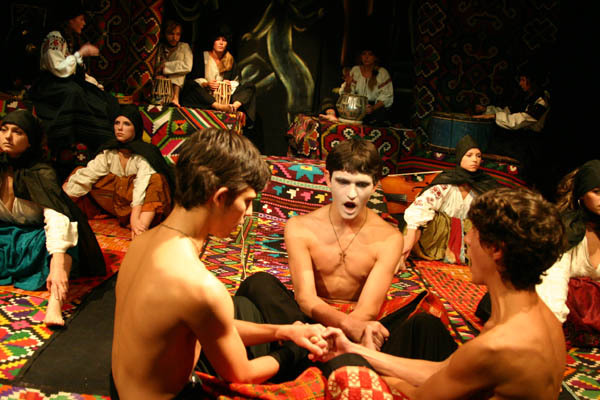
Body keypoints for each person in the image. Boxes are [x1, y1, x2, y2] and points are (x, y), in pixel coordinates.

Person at [111, 128, 329, 399]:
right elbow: (243, 374)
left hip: (121, 389)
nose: (248, 213)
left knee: (245, 305)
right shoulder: (199, 286)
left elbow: (207, 325)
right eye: (247, 201)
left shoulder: (141, 244)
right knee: (313, 377)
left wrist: (285, 331)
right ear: (220, 197)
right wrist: (296, 351)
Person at [236, 139, 457, 378]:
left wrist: (354, 332)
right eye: (343, 182)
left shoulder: (389, 238)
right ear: (328, 179)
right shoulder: (300, 227)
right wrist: (339, 330)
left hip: (360, 326)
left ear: (375, 186)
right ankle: (339, 360)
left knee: (426, 323)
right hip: (308, 322)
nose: (351, 194)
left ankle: (309, 359)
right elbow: (306, 299)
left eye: (361, 185)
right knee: (258, 284)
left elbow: (368, 310)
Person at [321, 187, 567, 399]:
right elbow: (442, 370)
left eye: (473, 231)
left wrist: (361, 362)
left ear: (496, 250)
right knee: (422, 325)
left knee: (344, 367)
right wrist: (357, 350)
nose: (467, 240)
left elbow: (419, 395)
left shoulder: (498, 345)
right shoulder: (536, 314)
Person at [0, 110, 105, 327]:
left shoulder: (40, 173)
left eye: (17, 132)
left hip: (36, 239)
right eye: (3, 130)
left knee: (66, 243)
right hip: (5, 236)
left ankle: (55, 302)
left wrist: (57, 265)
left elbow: (57, 219)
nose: (8, 136)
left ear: (30, 140)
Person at [26, 0, 120, 177]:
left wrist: (94, 85)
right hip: (51, 85)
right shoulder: (54, 37)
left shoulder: (68, 39)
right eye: (81, 19)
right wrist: (80, 54)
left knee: (104, 98)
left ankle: (108, 142)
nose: (84, 23)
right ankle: (67, 137)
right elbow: (58, 67)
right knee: (75, 93)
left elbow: (78, 72)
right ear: (70, 19)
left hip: (66, 82)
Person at [62, 105, 174, 239]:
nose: (120, 128)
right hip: (116, 203)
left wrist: (135, 217)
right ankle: (63, 209)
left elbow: (141, 186)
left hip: (139, 207)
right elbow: (90, 174)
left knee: (156, 179)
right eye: (117, 123)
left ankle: (140, 230)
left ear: (135, 128)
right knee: (79, 173)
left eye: (126, 124)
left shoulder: (145, 153)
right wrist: (61, 197)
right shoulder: (110, 151)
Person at [400, 135, 499, 267]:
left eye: (478, 156)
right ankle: (403, 256)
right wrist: (411, 235)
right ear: (460, 157)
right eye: (469, 155)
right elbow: (422, 205)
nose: (475, 159)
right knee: (420, 223)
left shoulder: (485, 184)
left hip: (469, 238)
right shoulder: (447, 182)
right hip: (440, 237)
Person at [535, 160, 600, 327]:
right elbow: (553, 281)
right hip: (557, 304)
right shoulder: (568, 228)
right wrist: (553, 325)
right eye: (597, 192)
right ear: (582, 194)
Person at [473, 70, 550, 183]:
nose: (520, 83)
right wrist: (487, 110)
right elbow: (508, 112)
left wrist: (494, 116)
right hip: (519, 138)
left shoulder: (542, 101)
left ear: (532, 81)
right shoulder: (524, 97)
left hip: (531, 143)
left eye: (523, 80)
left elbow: (521, 119)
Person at [181, 27, 256, 124]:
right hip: (206, 96)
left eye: (224, 40)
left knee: (249, 86)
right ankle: (218, 106)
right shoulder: (203, 56)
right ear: (213, 41)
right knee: (191, 85)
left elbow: (237, 80)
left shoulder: (230, 59)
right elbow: (194, 78)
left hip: (225, 97)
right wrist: (206, 84)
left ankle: (233, 107)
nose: (221, 43)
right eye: (218, 40)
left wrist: (229, 84)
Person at [321, 48, 393, 125]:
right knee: (330, 96)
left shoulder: (382, 72)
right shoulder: (356, 70)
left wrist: (372, 108)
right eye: (364, 54)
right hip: (355, 104)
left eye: (370, 54)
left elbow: (386, 96)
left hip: (371, 107)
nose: (366, 57)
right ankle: (331, 115)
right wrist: (348, 85)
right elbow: (347, 94)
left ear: (375, 58)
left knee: (381, 113)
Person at [152, 20, 193, 107]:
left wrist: (165, 67)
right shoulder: (160, 47)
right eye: (171, 34)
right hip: (161, 80)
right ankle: (158, 97)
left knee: (179, 66)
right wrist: (159, 72)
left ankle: (175, 97)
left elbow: (188, 66)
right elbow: (155, 65)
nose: (174, 37)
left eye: (178, 34)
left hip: (179, 83)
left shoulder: (184, 46)